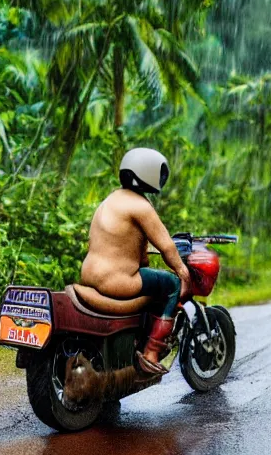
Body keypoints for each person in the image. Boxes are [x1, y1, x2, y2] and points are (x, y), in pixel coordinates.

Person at [80, 148, 192, 374]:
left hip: (89, 275)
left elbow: (135, 251)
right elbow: (167, 246)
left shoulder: (110, 200)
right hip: (116, 281)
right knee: (171, 284)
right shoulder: (140, 206)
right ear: (150, 173)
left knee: (152, 280)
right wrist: (182, 270)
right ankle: (152, 351)